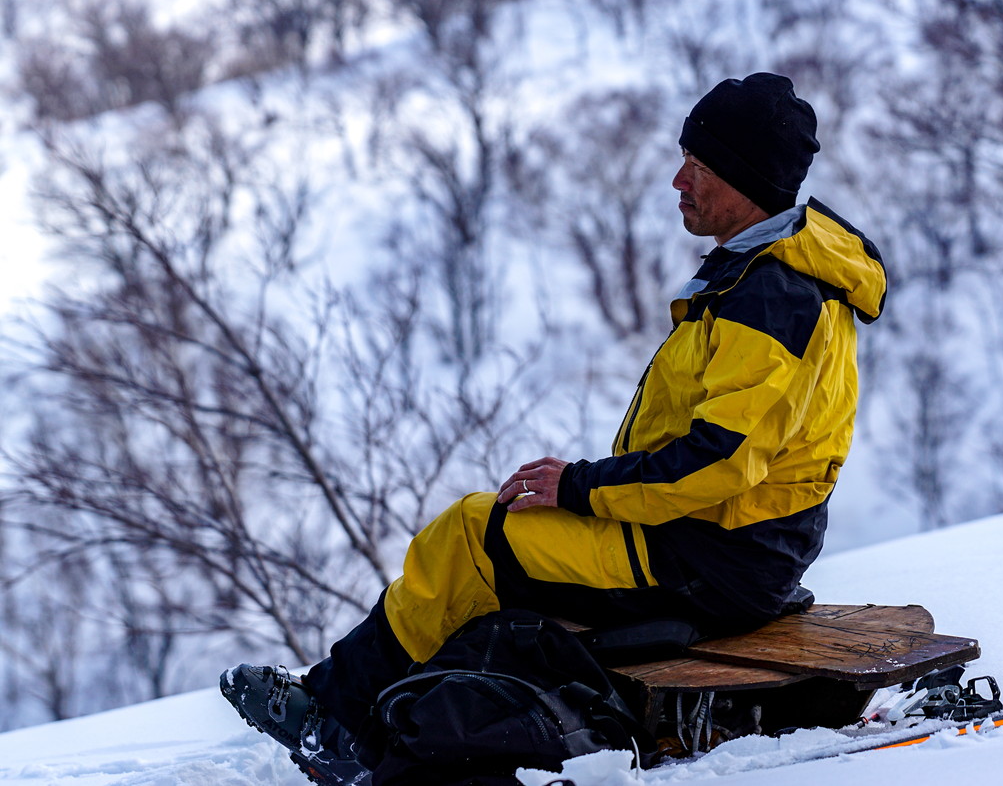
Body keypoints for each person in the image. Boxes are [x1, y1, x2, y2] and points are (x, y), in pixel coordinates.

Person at [221, 73, 887, 784]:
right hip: (719, 541)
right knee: (497, 536)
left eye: (700, 166)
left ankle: (335, 715)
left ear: (747, 179)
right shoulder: (771, 267)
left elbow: (714, 463)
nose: (678, 179)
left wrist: (579, 487)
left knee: (477, 535)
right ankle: (402, 713)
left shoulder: (770, 297)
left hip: (709, 556)